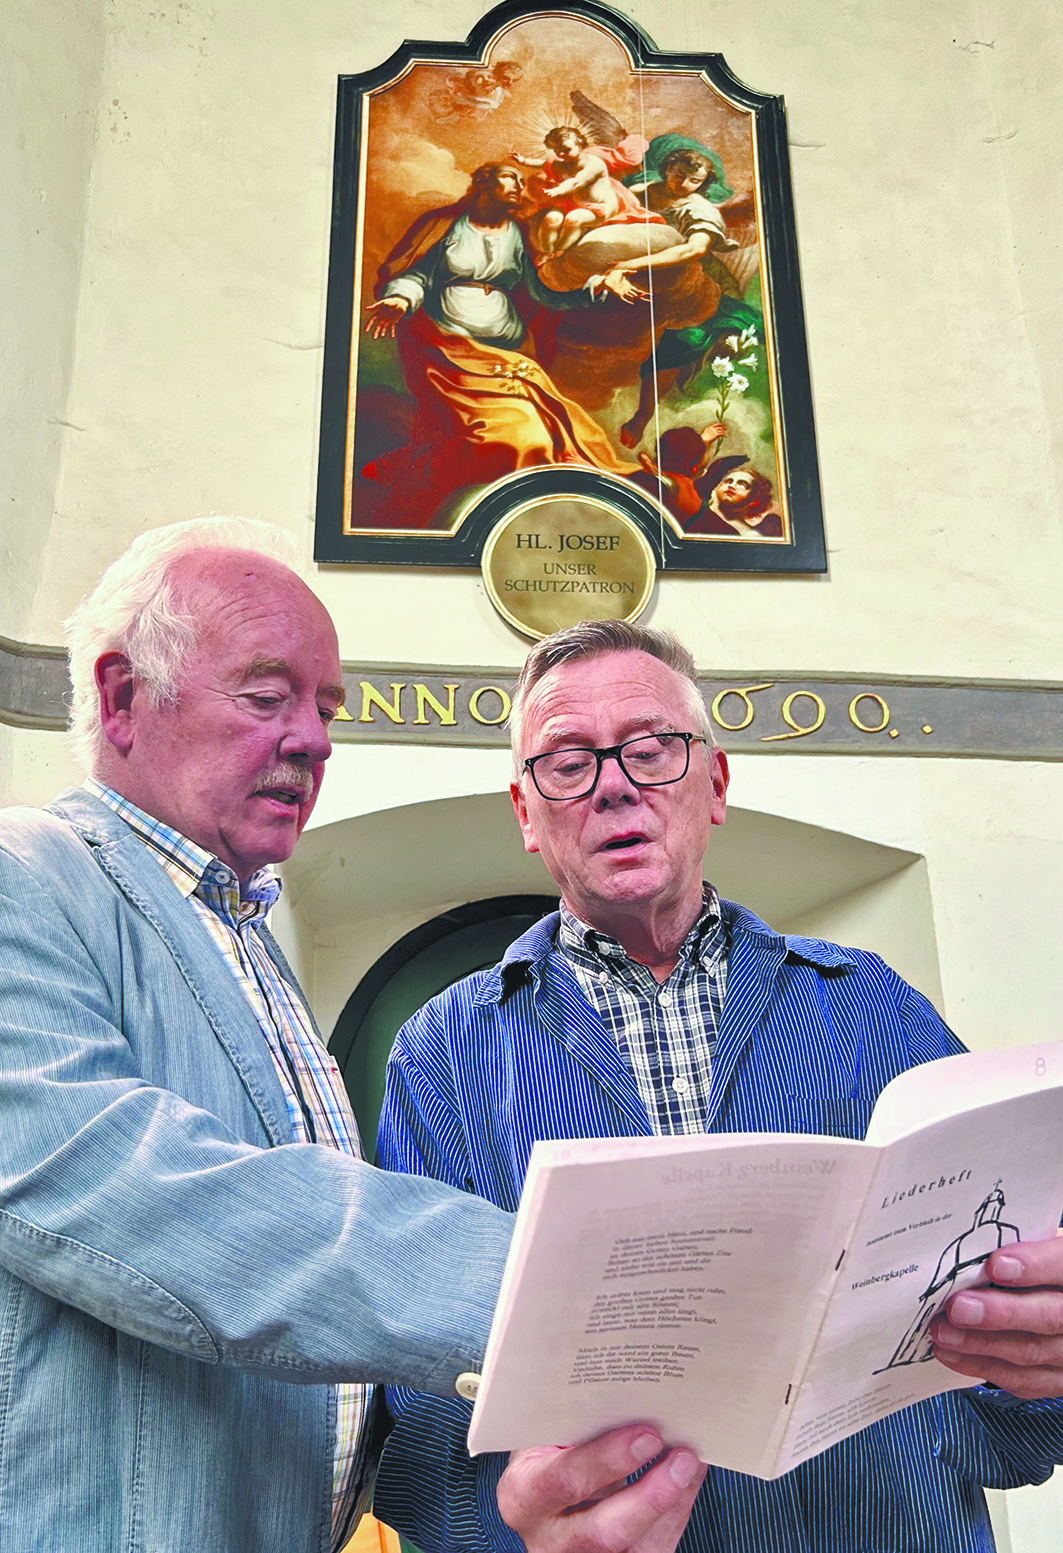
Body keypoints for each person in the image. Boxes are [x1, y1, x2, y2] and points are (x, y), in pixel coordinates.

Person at [0, 526, 704, 1553]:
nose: (316, 740)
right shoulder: (23, 877)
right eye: (265, 696)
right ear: (121, 697)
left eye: (325, 708)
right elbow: (139, 1189)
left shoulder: (246, 943)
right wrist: (564, 1287)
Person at [373, 619, 1063, 1553]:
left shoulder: (872, 1006)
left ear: (716, 784)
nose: (613, 783)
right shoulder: (441, 1055)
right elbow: (416, 1411)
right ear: (526, 815)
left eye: (652, 748)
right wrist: (515, 1527)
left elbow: (1015, 1365)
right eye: (567, 763)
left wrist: (1036, 1361)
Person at [362, 162, 642, 528]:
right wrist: (402, 298)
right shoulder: (445, 225)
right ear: (482, 184)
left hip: (509, 351)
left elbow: (542, 293)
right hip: (447, 351)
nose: (519, 186)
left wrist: (595, 286)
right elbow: (415, 273)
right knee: (517, 436)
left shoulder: (518, 233)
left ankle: (542, 511)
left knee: (551, 428)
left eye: (521, 181)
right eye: (509, 179)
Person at [511, 126, 664, 257]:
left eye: (566, 149)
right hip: (573, 202)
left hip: (599, 206)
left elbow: (577, 182)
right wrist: (524, 161)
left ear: (580, 145)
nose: (561, 154)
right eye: (557, 151)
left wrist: (558, 190)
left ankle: (560, 251)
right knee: (550, 220)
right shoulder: (562, 163)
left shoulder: (593, 164)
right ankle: (547, 252)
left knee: (573, 220)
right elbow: (544, 164)